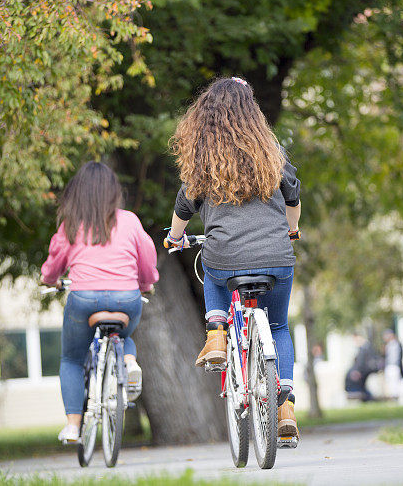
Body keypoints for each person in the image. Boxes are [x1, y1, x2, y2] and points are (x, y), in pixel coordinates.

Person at [164, 76, 302, 440]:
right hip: (277, 256)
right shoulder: (272, 150)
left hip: (225, 256)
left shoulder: (204, 157)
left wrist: (174, 238)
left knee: (212, 269)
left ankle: (215, 334)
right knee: (278, 327)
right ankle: (285, 404)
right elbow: (293, 195)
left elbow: (184, 203)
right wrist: (291, 231)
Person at [41, 161, 159, 443]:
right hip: (127, 296)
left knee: (71, 358)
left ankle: (72, 426)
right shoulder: (129, 220)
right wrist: (146, 284)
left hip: (84, 299)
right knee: (126, 334)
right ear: (113, 191)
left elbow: (53, 265)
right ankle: (129, 362)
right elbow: (146, 258)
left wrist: (49, 280)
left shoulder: (71, 223)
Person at [345, 336, 380, 401]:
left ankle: (370, 398)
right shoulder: (365, 348)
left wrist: (358, 370)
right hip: (365, 371)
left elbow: (361, 361)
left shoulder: (365, 348)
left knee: (368, 386)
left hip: (367, 371)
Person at [382, 329, 403, 400]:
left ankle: (396, 398)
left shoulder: (395, 344)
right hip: (389, 366)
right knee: (390, 383)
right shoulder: (388, 345)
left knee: (395, 383)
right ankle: (393, 398)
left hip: (394, 366)